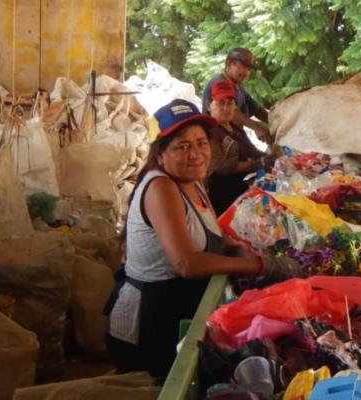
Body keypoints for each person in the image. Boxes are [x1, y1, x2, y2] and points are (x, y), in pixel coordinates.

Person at [105, 99, 303, 378]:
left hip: (178, 308)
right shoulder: (161, 186)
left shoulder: (193, 182)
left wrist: (236, 248)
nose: (195, 153)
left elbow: (214, 232)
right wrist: (260, 266)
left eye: (201, 143)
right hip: (150, 322)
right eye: (182, 146)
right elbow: (187, 263)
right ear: (161, 154)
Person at [206, 78, 267, 215]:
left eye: (230, 103)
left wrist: (268, 157)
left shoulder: (234, 126)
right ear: (209, 105)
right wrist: (253, 164)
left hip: (245, 193)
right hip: (225, 198)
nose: (226, 108)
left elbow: (251, 150)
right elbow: (221, 167)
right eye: (220, 103)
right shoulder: (209, 131)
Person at [203, 47, 272, 143]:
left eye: (249, 69)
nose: (247, 73)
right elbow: (232, 112)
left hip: (235, 140)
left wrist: (276, 121)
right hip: (218, 143)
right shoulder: (219, 84)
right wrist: (256, 126)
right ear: (229, 64)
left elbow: (257, 110)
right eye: (243, 67)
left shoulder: (238, 88)